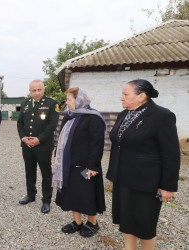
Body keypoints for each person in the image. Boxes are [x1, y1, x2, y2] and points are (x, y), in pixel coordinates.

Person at [106, 79, 180, 249]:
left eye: (126, 94)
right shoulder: (123, 114)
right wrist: (113, 173)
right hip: (123, 180)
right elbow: (118, 145)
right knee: (126, 221)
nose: (121, 98)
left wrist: (168, 186)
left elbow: (171, 154)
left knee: (145, 225)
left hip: (146, 184)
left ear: (141, 96)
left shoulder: (162, 116)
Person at [53, 88, 106, 237]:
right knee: (71, 194)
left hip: (85, 166)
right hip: (68, 164)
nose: (67, 102)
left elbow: (97, 145)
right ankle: (77, 222)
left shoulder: (93, 118)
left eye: (69, 99)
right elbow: (62, 140)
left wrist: (92, 166)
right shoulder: (69, 116)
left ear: (80, 100)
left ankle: (92, 223)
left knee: (87, 194)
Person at [17, 79, 59, 213]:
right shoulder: (25, 103)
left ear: (43, 89)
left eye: (39, 89)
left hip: (43, 146)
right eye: (33, 90)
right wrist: (23, 138)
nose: (36, 92)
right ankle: (30, 195)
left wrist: (38, 139)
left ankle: (46, 200)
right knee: (29, 171)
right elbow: (20, 123)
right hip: (27, 145)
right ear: (29, 91)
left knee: (46, 173)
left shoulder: (52, 103)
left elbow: (52, 125)